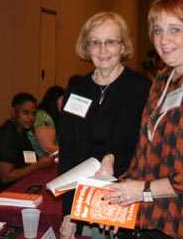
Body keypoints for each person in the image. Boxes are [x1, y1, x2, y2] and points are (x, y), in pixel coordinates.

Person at [102, 0, 183, 238]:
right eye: (158, 30)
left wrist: (144, 191)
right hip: (159, 221)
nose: (164, 40)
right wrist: (121, 196)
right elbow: (145, 155)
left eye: (175, 29)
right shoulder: (162, 80)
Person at [58, 12, 152, 239]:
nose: (103, 50)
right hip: (85, 197)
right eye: (95, 43)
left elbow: (149, 148)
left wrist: (114, 158)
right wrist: (69, 211)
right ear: (86, 47)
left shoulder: (142, 89)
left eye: (111, 42)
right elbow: (68, 152)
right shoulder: (76, 89)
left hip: (124, 195)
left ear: (123, 45)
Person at [0, 92, 57, 191]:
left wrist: (42, 160)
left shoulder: (22, 131)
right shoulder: (6, 136)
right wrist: (38, 165)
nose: (31, 117)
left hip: (25, 181)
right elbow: (5, 177)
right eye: (26, 112)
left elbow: (29, 160)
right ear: (13, 112)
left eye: (33, 113)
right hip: (8, 191)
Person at [27, 85, 64, 157]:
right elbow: (48, 148)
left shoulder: (54, 118)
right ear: (54, 99)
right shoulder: (42, 116)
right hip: (40, 164)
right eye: (63, 100)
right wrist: (71, 153)